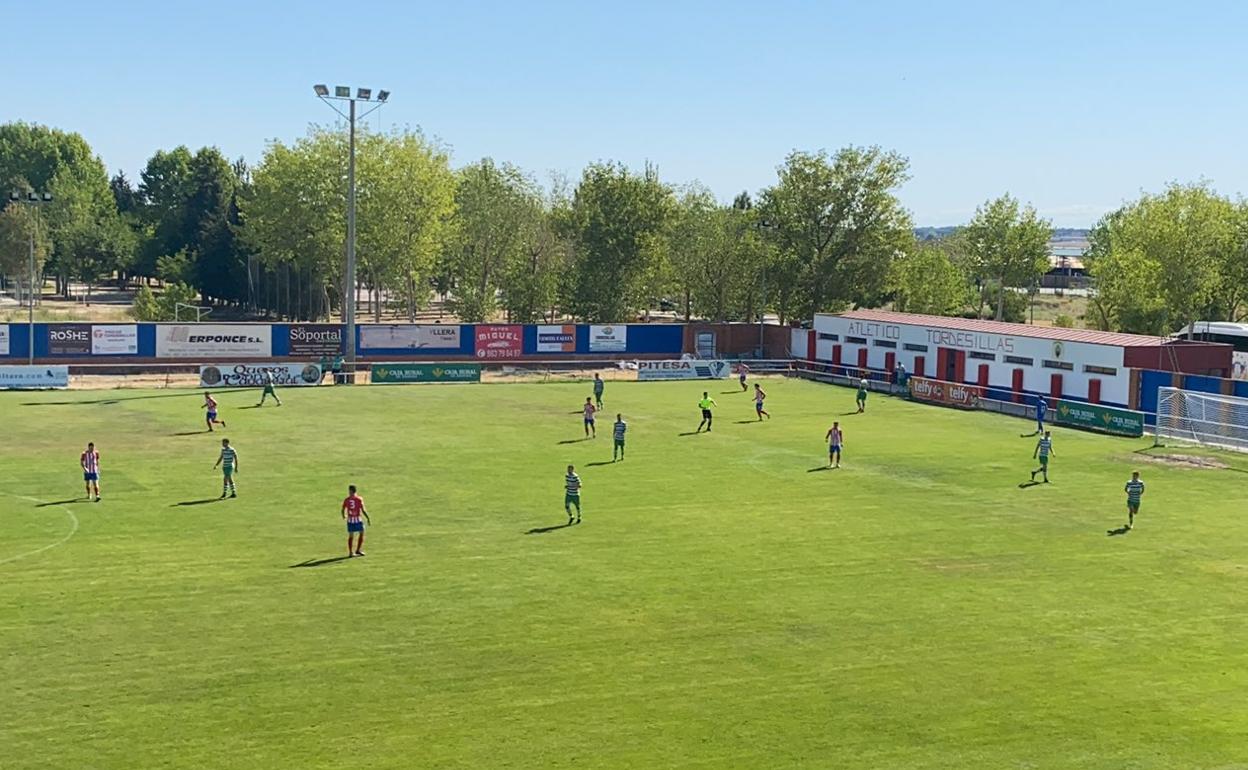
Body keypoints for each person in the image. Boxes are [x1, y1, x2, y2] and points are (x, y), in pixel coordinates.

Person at [342, 484, 371, 557]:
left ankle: (351, 552)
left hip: (350, 520)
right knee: (361, 533)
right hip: (358, 519)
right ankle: (358, 550)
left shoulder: (347, 500)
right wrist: (367, 517)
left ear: (351, 491)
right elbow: (363, 510)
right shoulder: (359, 499)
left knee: (351, 535)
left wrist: (343, 515)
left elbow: (343, 509)